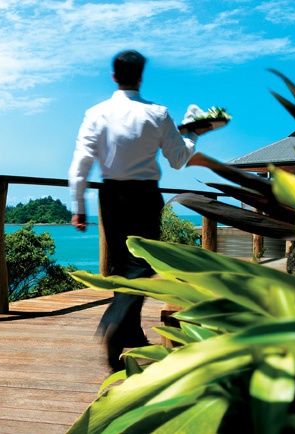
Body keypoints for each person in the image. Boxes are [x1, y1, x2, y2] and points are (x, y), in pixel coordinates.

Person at [68, 50, 210, 371]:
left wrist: (78, 206)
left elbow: (81, 163)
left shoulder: (96, 113)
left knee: (123, 265)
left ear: (114, 76)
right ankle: (115, 324)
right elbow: (178, 159)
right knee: (142, 266)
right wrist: (191, 134)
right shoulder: (158, 114)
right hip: (145, 195)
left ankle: (130, 331)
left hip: (110, 195)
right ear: (141, 76)